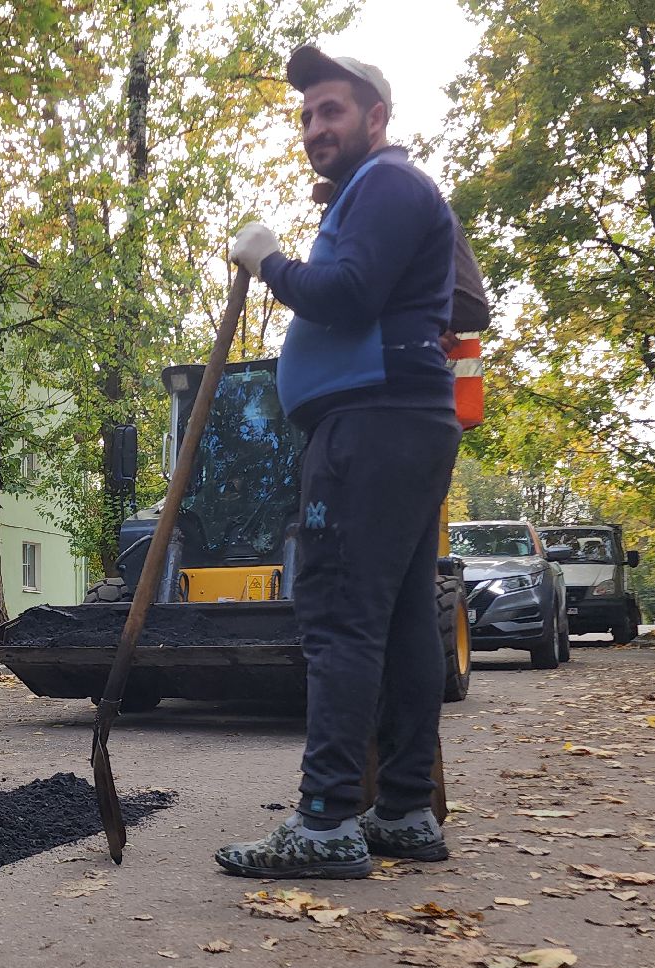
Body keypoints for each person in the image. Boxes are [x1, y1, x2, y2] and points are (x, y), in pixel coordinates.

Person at [214, 47, 462, 878]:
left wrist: (270, 263)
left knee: (340, 615)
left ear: (376, 119)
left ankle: (324, 823)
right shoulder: (375, 195)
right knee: (395, 621)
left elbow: (349, 293)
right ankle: (401, 811)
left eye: (333, 111)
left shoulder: (391, 184)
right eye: (308, 114)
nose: (316, 126)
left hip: (372, 424)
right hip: (398, 422)